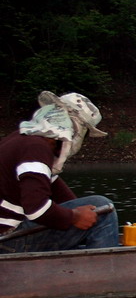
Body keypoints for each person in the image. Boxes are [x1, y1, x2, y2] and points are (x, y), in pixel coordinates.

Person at [0, 91, 120, 253]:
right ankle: (104, 272)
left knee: (94, 211)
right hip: (8, 240)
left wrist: (83, 215)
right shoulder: (36, 148)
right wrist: (75, 217)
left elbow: (64, 197)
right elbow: (36, 209)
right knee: (103, 207)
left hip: (9, 238)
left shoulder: (21, 140)